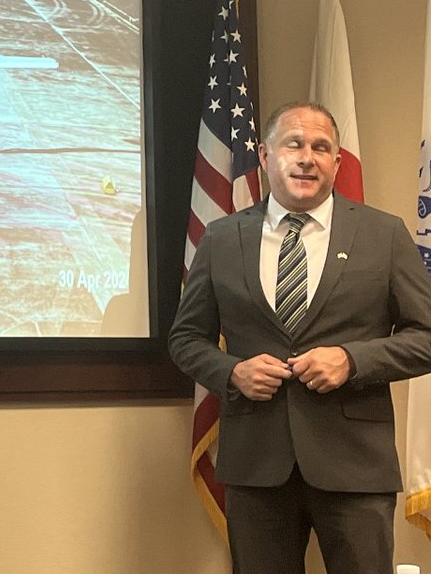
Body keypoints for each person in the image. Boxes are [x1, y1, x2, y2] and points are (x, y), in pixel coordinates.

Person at [169, 101, 431, 573]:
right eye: (294, 144)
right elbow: (186, 338)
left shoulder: (384, 234)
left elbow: (426, 335)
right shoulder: (222, 238)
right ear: (266, 156)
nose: (307, 158)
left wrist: (352, 360)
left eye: (320, 147)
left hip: (355, 467)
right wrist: (232, 372)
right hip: (256, 467)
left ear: (337, 162)